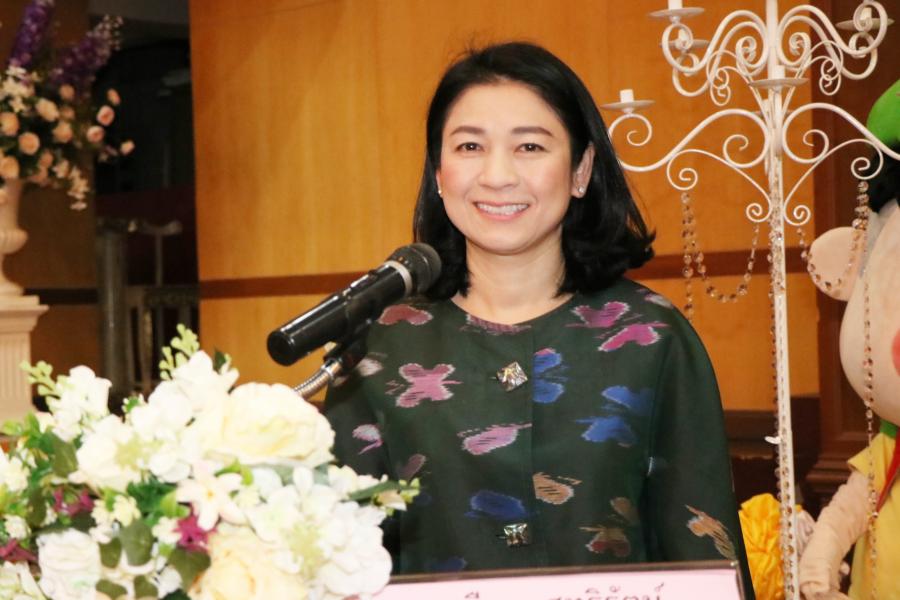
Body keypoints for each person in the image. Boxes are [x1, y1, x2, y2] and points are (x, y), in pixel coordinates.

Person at [324, 41, 754, 598]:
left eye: (529, 146)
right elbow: (334, 557)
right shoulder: (379, 345)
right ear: (439, 172)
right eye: (470, 146)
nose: (498, 175)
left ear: (581, 170)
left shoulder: (651, 337)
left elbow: (705, 554)